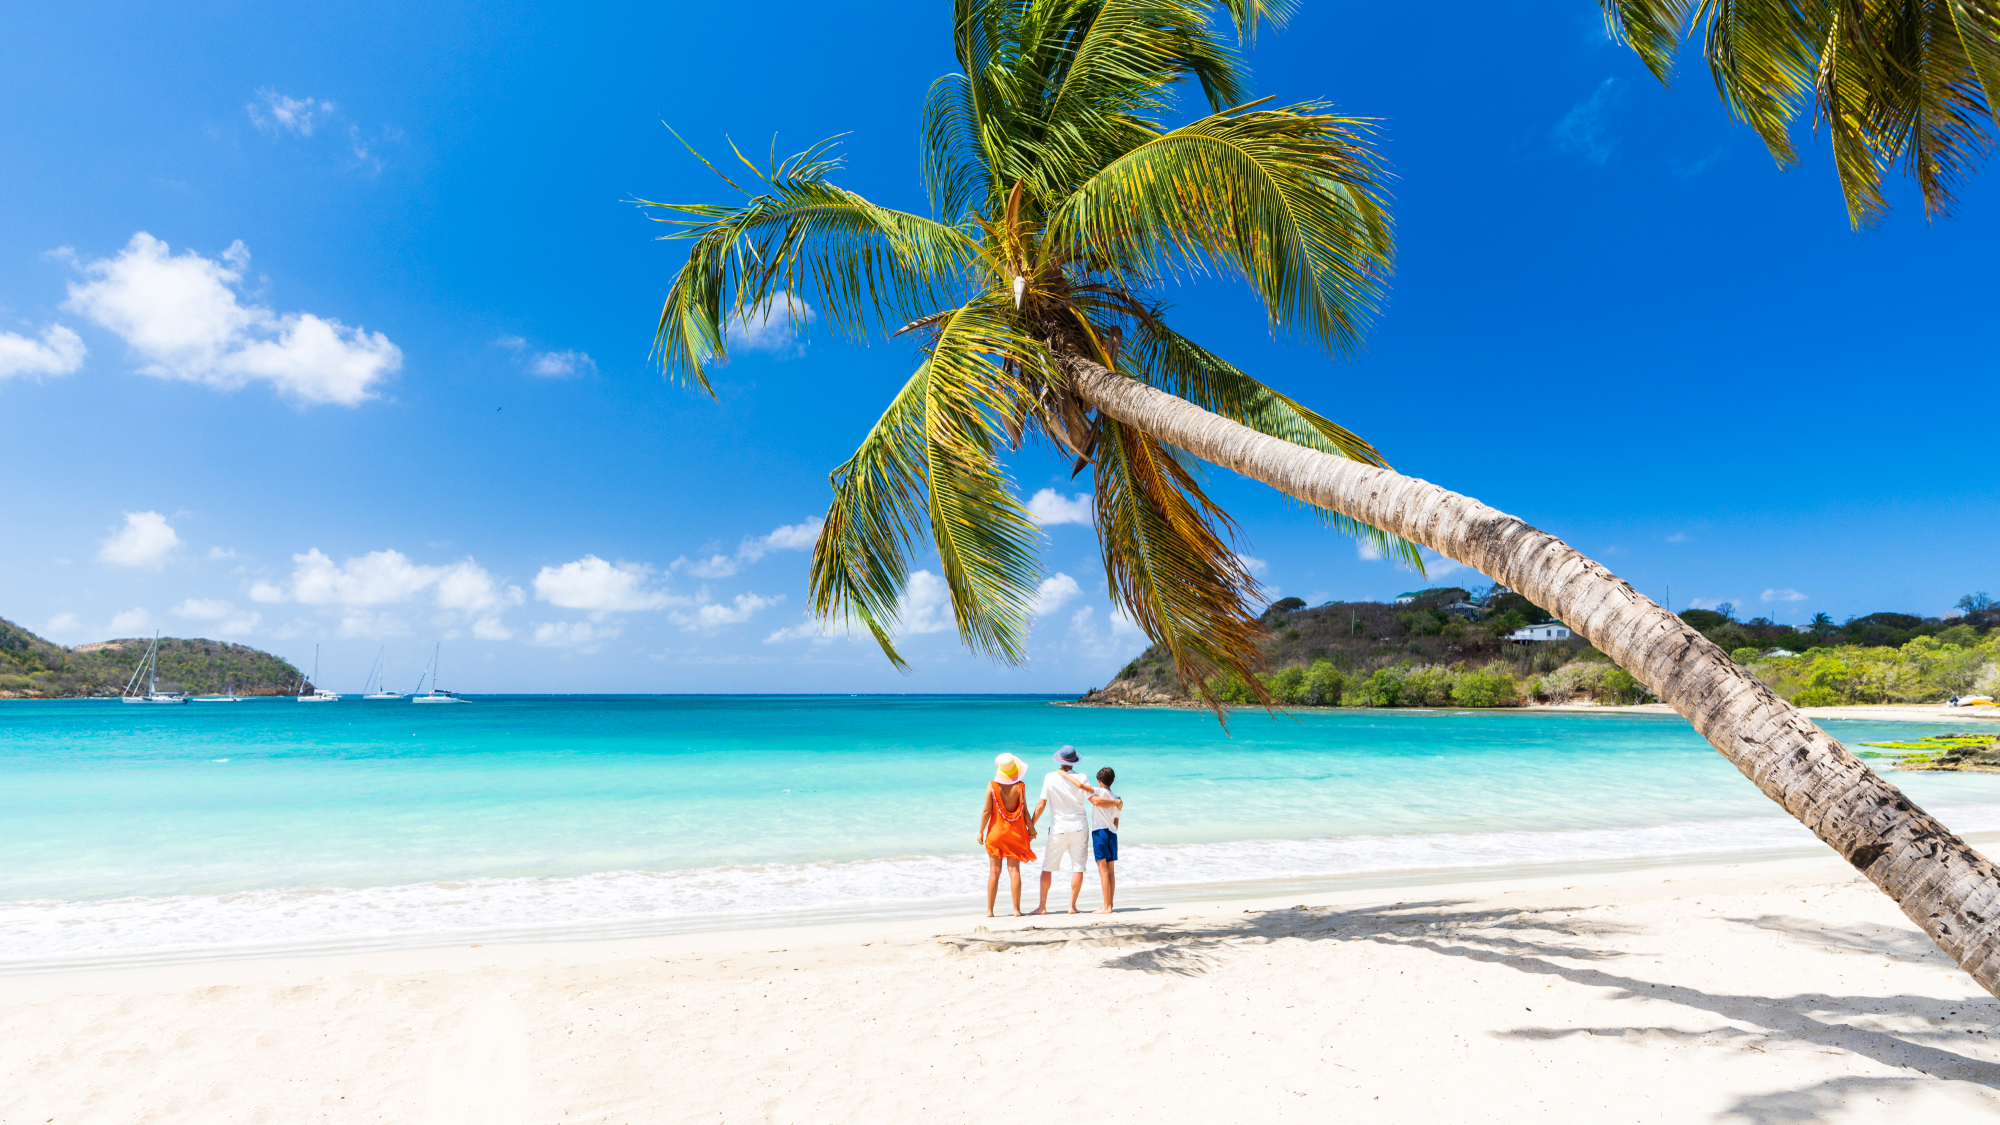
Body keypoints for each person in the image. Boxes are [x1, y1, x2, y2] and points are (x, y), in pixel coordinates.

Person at [1030, 745, 1096, 915]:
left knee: (1047, 867)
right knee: (1078, 867)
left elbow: (1041, 804)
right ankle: (1072, 906)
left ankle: (1042, 906)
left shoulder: (1050, 777)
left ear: (1059, 760)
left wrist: (1030, 826)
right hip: (1079, 827)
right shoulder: (1082, 777)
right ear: (1074, 761)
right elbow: (1092, 799)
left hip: (1058, 828)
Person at [980, 753, 1037, 917]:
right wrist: (1032, 829)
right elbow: (1024, 811)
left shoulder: (992, 786)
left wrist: (981, 831)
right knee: (1014, 871)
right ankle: (1016, 910)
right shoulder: (1020, 786)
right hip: (1015, 835)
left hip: (996, 834)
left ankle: (990, 911)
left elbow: (986, 811)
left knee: (994, 872)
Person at [1087, 766, 1123, 913]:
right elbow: (1116, 822)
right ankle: (1110, 904)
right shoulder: (1116, 798)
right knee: (1111, 871)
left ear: (1099, 781)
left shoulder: (1099, 791)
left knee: (1103, 871)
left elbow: (1093, 798)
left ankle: (1106, 906)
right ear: (1112, 781)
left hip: (1100, 831)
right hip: (1112, 833)